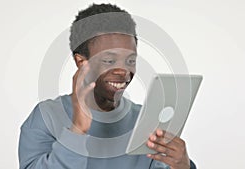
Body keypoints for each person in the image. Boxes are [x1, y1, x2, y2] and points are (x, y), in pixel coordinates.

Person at [18, 3, 196, 169]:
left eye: (130, 60)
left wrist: (182, 165)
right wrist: (78, 130)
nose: (123, 71)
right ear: (81, 62)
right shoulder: (46, 116)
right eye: (109, 60)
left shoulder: (143, 121)